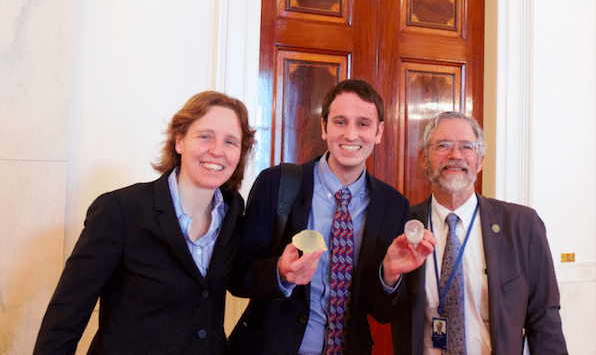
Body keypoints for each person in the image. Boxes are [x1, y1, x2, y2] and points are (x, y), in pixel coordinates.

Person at [33, 91, 255, 355]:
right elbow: (65, 316)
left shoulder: (233, 212)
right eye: (205, 136)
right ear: (179, 141)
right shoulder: (120, 210)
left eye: (231, 142)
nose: (217, 150)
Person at [228, 79, 435, 355]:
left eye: (363, 124)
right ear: (324, 127)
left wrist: (389, 275)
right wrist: (281, 272)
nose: (351, 135)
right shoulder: (276, 184)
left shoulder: (393, 205)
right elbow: (238, 275)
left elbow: (383, 313)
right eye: (340, 122)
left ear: (378, 132)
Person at [391, 110, 568, 355]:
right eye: (443, 145)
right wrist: (388, 275)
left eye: (467, 147)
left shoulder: (522, 226)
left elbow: (544, 321)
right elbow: (383, 306)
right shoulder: (401, 225)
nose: (455, 156)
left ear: (480, 160)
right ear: (423, 159)